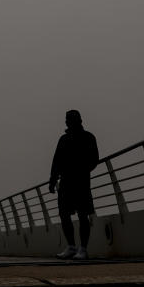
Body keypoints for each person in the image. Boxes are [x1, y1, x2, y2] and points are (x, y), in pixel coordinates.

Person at [49, 109, 99, 260]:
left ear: (78, 120)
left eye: (69, 119)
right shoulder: (63, 140)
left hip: (81, 182)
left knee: (83, 215)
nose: (66, 121)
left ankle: (83, 249)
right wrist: (52, 180)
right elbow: (56, 161)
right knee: (64, 214)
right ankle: (71, 246)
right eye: (66, 119)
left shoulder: (88, 137)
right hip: (65, 182)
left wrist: (83, 170)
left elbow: (94, 158)